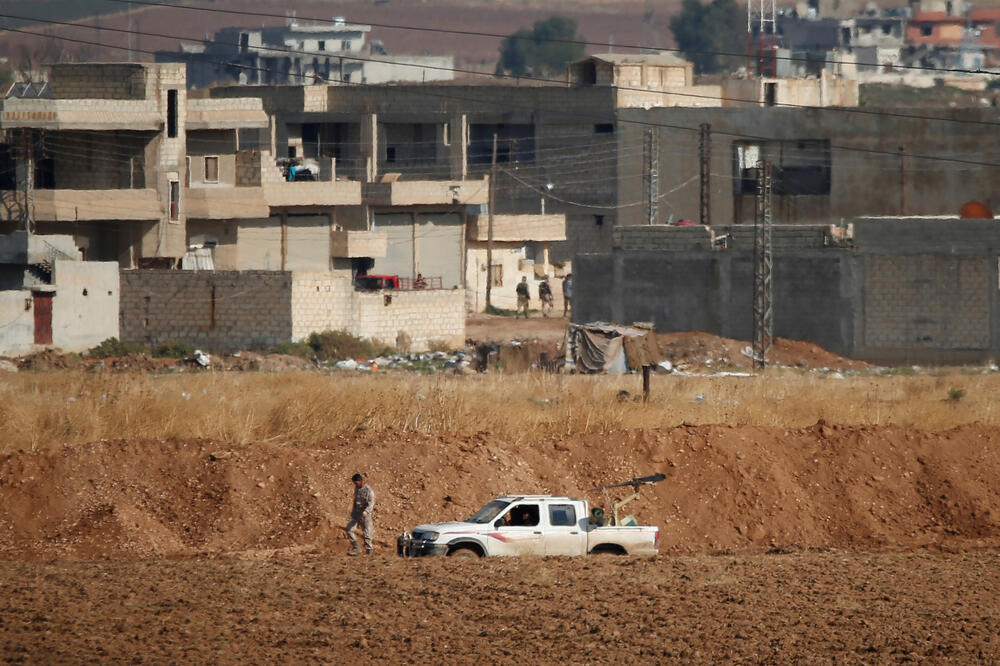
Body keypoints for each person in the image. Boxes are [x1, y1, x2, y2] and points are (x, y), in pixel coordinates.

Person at [345, 473, 375, 556]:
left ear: (361, 481)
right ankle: (356, 547)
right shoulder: (357, 488)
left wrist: (365, 512)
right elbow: (355, 500)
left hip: (365, 515)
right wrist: (353, 512)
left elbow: (371, 504)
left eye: (356, 482)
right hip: (356, 514)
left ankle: (369, 551)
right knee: (349, 530)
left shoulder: (369, 491)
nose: (355, 484)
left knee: (367, 534)